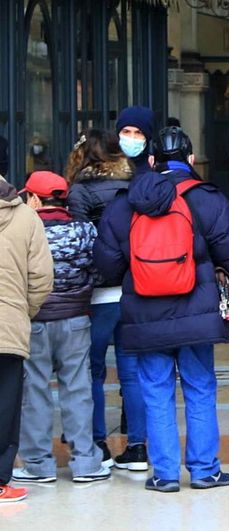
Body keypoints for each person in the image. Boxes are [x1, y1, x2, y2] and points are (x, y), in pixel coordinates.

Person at [95, 126, 229, 493]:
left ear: (150, 161)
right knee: (199, 387)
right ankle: (204, 470)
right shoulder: (207, 198)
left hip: (145, 314)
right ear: (191, 160)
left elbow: (107, 264)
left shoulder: (124, 203)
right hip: (197, 311)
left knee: (155, 391)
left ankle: (164, 473)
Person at [11, 171, 110, 485]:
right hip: (76, 321)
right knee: (78, 389)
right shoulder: (83, 229)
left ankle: (39, 464)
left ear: (36, 198)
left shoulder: (26, 227)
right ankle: (85, 462)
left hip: (35, 321)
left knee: (35, 392)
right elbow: (97, 271)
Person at [65, 130, 147, 470]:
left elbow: (81, 245)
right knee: (131, 372)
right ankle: (139, 448)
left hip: (97, 295)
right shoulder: (132, 188)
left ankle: (97, 443)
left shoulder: (79, 192)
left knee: (92, 372)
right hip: (132, 289)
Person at [0, 174, 54, 504]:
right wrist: (22, 312)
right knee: (6, 406)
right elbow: (42, 277)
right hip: (9, 329)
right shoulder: (26, 217)